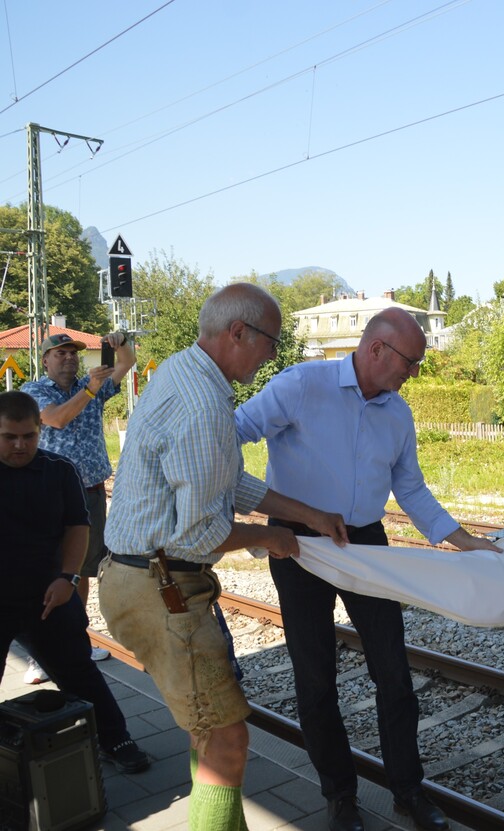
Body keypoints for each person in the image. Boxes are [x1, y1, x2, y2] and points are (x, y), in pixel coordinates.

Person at [235, 306, 502, 831]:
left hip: (365, 544)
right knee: (316, 679)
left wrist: (465, 541)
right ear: (377, 348)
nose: (414, 373)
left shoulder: (397, 414)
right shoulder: (301, 385)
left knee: (393, 673)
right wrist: (245, 500)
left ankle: (408, 791)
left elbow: (412, 489)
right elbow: (233, 431)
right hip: (299, 546)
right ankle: (340, 797)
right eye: (411, 362)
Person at [99, 283, 347, 831]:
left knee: (208, 732)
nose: (271, 356)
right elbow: (199, 537)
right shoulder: (205, 405)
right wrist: (270, 538)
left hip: (140, 577)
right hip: (162, 588)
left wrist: (305, 514)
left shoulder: (182, 371)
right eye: (270, 343)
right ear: (238, 333)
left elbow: (228, 480)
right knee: (228, 740)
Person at [0, 391, 151, 774]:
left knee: (79, 672)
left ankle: (115, 739)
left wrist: (68, 577)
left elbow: (77, 527)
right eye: (9, 437)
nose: (20, 445)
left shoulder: (59, 470)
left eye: (29, 436)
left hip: (49, 593)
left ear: (39, 431)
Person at [23, 330, 137, 664]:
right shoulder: (34, 391)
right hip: (51, 496)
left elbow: (127, 362)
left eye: (73, 353)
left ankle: (75, 640)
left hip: (90, 492)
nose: (69, 358)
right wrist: (91, 389)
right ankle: (40, 652)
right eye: (60, 353)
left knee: (81, 570)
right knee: (49, 570)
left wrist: (121, 343)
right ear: (45, 360)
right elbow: (57, 419)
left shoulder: (92, 386)